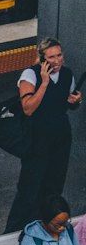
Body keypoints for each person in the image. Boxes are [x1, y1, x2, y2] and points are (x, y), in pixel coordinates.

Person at [5, 36, 82, 233]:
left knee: (54, 184)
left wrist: (75, 101)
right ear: (41, 59)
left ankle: (45, 225)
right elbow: (28, 108)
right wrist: (45, 83)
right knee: (30, 187)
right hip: (37, 139)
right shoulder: (30, 76)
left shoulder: (67, 75)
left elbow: (65, 102)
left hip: (60, 137)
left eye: (59, 56)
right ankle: (13, 230)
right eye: (51, 57)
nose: (56, 61)